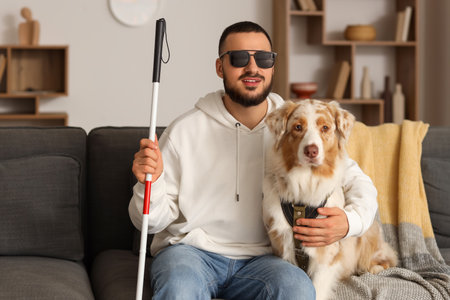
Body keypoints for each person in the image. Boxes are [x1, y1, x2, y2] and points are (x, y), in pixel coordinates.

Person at [129, 21, 378, 299]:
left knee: (296, 289)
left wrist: (349, 223)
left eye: (263, 58)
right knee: (179, 289)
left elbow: (359, 183)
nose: (252, 68)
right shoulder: (183, 131)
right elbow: (148, 223)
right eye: (238, 58)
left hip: (265, 261)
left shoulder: (293, 126)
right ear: (220, 67)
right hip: (191, 254)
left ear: (272, 66)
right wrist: (151, 181)